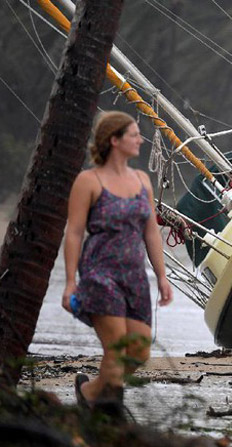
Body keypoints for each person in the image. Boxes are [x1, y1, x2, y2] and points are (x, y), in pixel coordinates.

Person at [62, 111, 173, 410]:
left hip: (135, 277)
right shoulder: (89, 181)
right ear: (114, 140)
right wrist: (70, 282)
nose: (141, 139)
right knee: (116, 347)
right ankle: (111, 418)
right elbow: (73, 233)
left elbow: (151, 232)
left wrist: (162, 277)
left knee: (138, 351)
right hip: (100, 274)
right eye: (134, 134)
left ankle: (90, 393)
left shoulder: (142, 181)